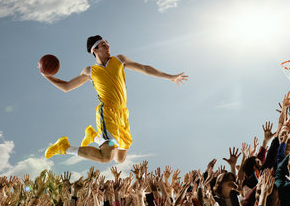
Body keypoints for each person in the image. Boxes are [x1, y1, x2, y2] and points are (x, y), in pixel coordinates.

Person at [42, 35, 188, 163]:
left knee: (120, 158)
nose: (108, 46)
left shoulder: (120, 60)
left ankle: (94, 136)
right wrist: (48, 76)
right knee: (106, 157)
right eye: (103, 45)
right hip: (107, 113)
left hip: (122, 114)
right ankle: (65, 147)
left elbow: (145, 68)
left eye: (107, 43)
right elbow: (66, 87)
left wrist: (170, 77)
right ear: (95, 50)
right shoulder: (90, 71)